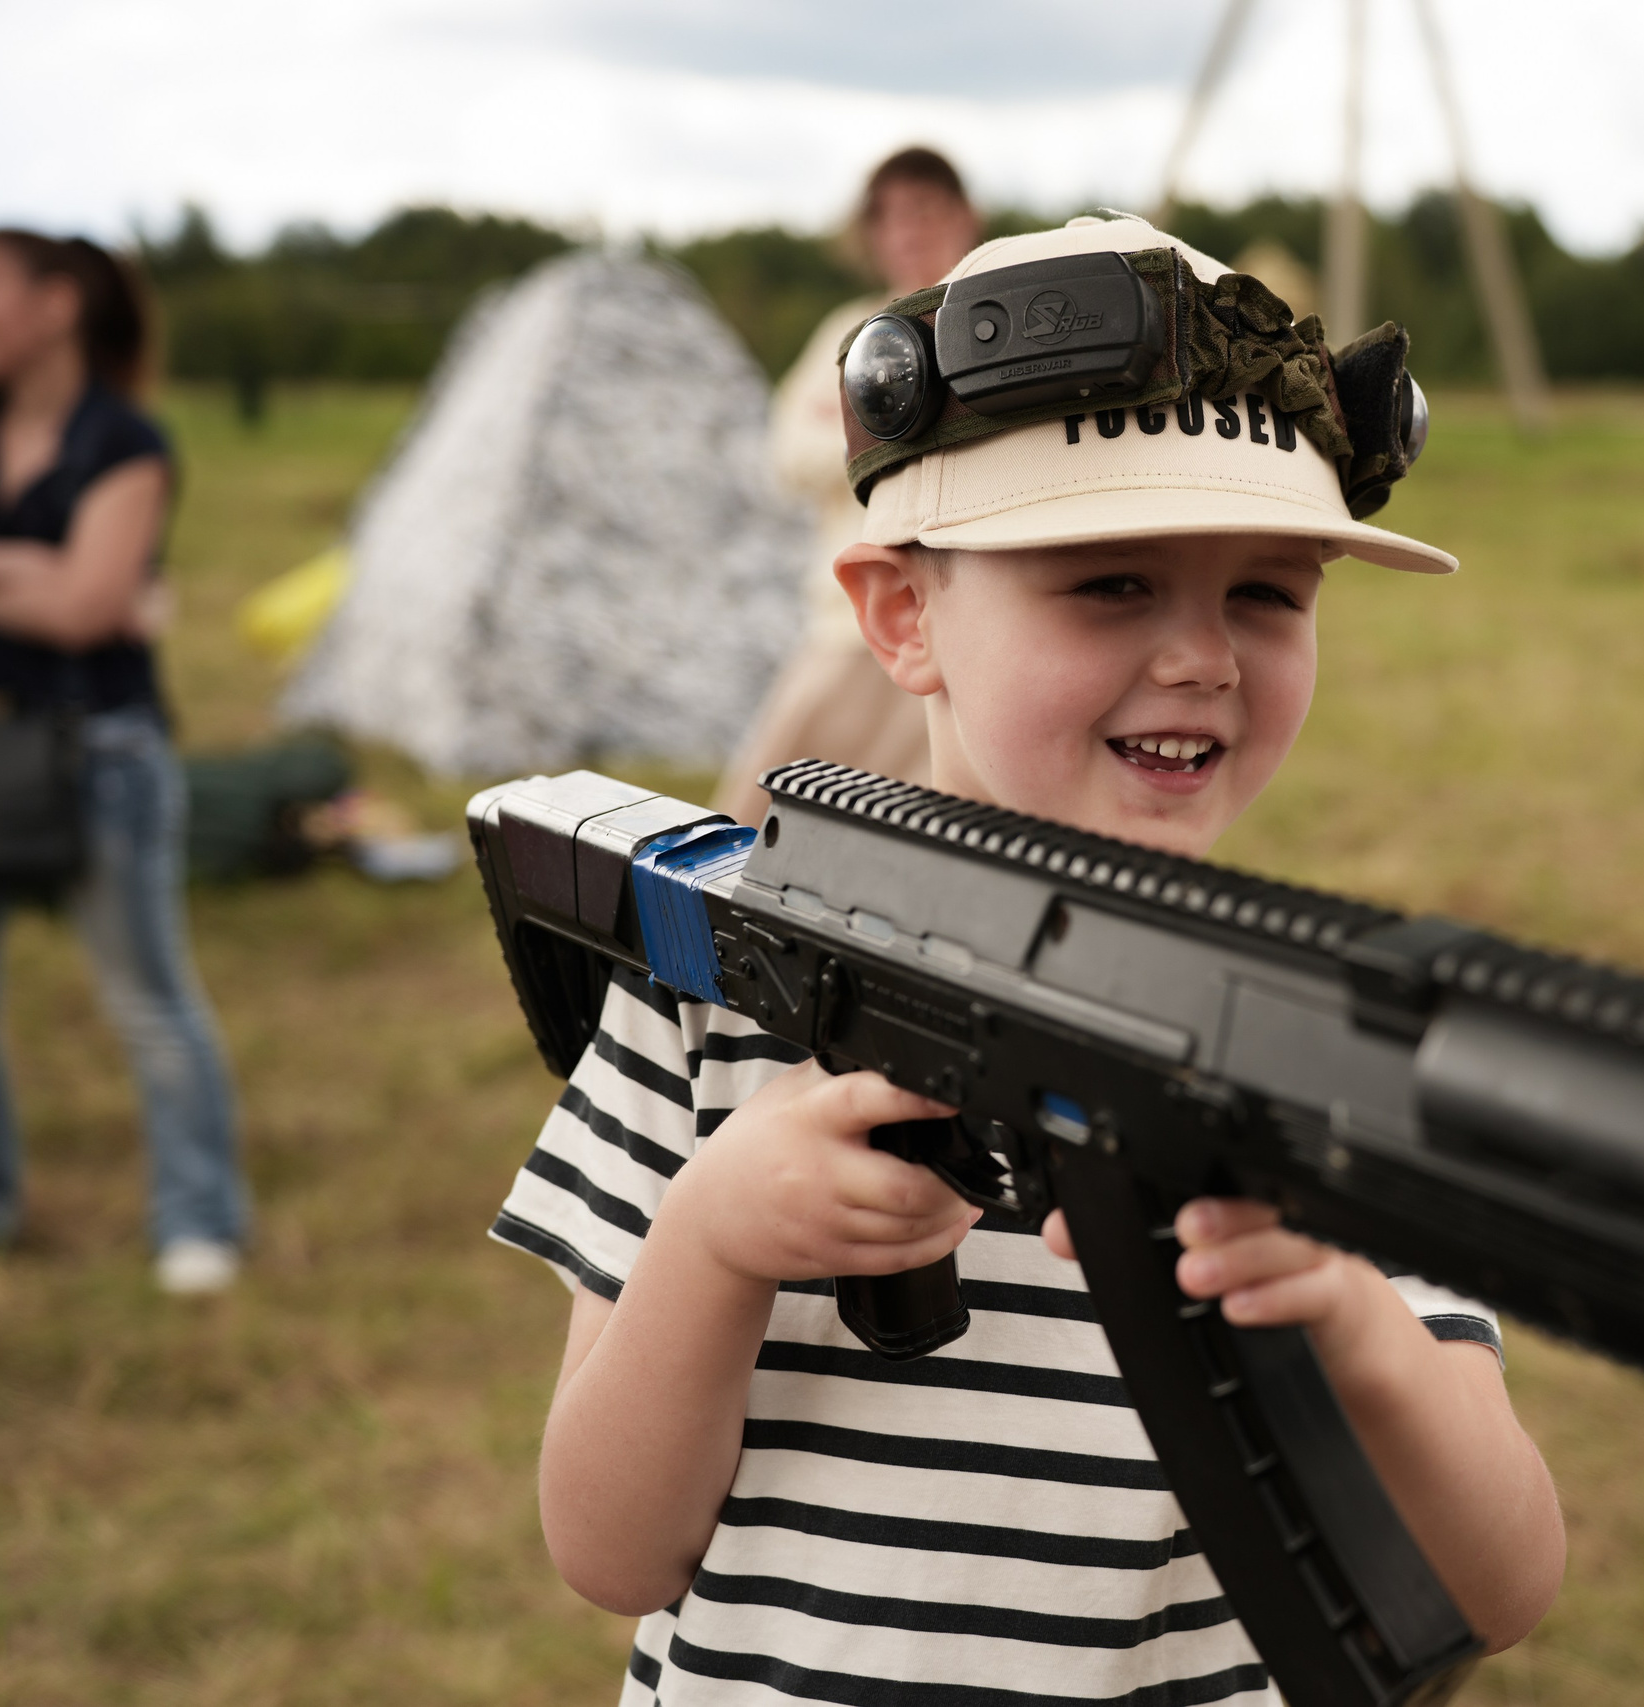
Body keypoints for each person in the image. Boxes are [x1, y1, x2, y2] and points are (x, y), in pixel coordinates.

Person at [491, 214, 1565, 1703]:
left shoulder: (1331, 1042)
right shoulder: (714, 1001)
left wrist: (1357, 1316)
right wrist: (714, 1238)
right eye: (1111, 582)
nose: (1204, 655)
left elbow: (1501, 1587)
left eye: (1270, 589)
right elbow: (608, 1545)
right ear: (900, 613)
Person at [0, 229, 247, 1294]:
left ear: (54, 306)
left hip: (103, 759)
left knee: (148, 1002)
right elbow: (82, 590)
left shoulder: (127, 442)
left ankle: (200, 1221)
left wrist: (22, 577)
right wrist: (31, 564)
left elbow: (89, 612)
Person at [712, 147, 982, 824]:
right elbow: (785, 452)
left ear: (962, 217)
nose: (908, 231)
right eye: (890, 217)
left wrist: (866, 421)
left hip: (967, 618)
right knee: (762, 821)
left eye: (923, 210)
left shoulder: (988, 323)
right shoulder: (848, 331)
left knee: (929, 835)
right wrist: (899, 433)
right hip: (850, 620)